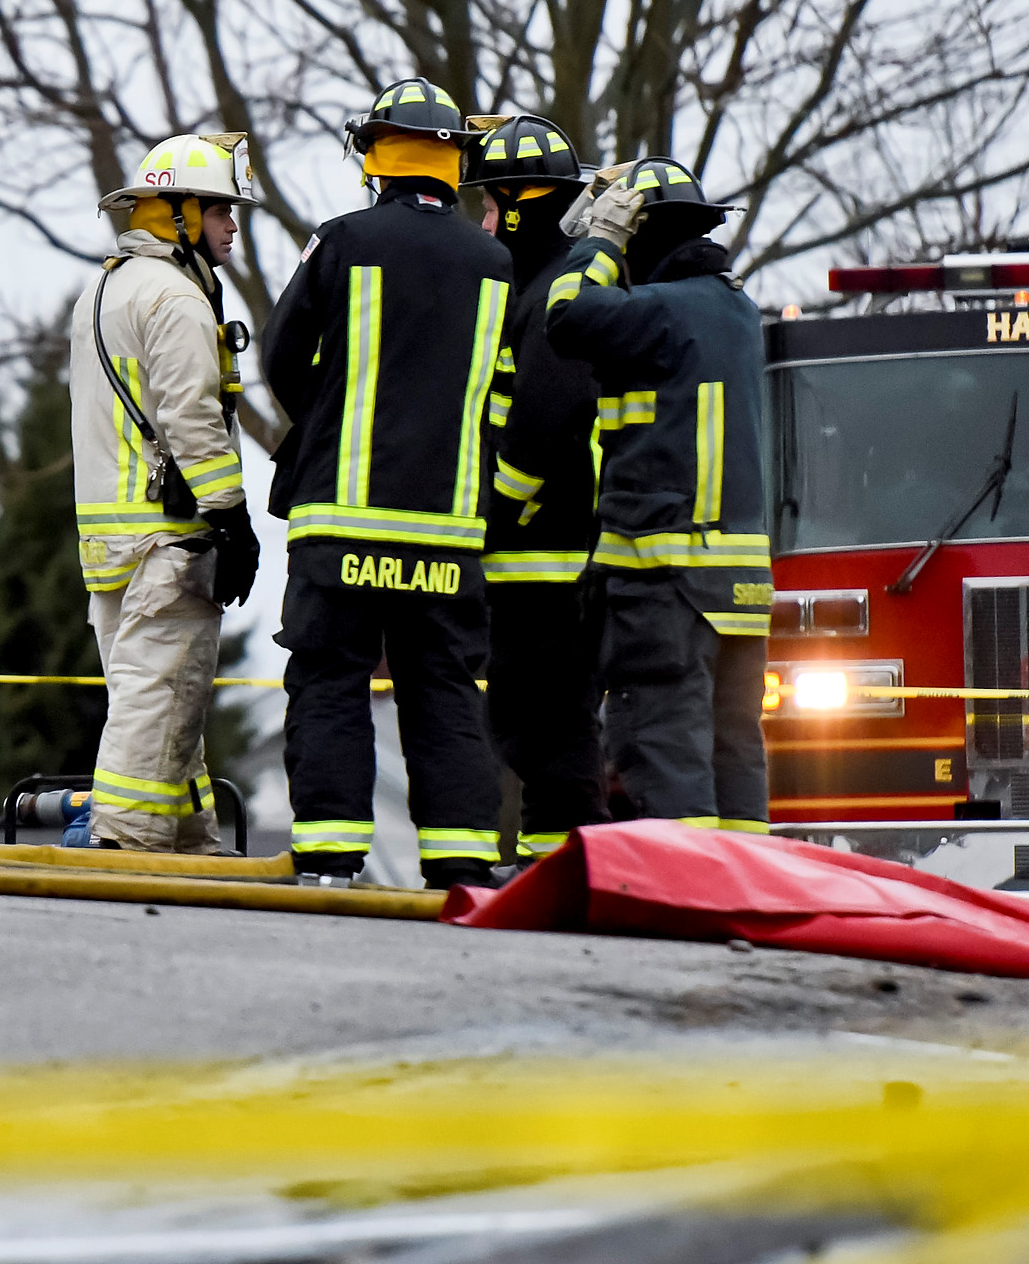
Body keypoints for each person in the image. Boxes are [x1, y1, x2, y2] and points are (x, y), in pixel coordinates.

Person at [262, 77, 511, 888]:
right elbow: (502, 394)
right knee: (442, 690)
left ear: (374, 153)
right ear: (454, 162)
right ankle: (462, 861)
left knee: (330, 679)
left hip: (341, 522)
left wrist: (328, 417)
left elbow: (278, 357)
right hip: (447, 529)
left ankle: (331, 857)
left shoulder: (340, 240)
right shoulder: (494, 261)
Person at [543, 156, 771, 832]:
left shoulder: (663, 309)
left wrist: (598, 243)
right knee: (735, 753)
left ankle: (687, 900)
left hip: (665, 584)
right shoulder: (735, 309)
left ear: (641, 234)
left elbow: (566, 313)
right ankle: (743, 890)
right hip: (739, 589)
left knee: (662, 745)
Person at [70, 133, 264, 853]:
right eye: (220, 210)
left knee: (163, 699)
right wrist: (232, 518)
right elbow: (190, 418)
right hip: (168, 541)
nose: (233, 226)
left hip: (112, 544)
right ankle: (124, 845)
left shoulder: (106, 287)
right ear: (177, 213)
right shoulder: (177, 298)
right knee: (156, 701)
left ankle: (192, 845)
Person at [461, 112, 604, 861]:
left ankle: (579, 865)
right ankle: (559, 865)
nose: (483, 225)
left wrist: (500, 507)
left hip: (543, 558)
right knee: (537, 729)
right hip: (539, 559)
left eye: (488, 207)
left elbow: (549, 414)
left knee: (548, 725)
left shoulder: (553, 289)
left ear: (518, 205)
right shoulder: (539, 283)